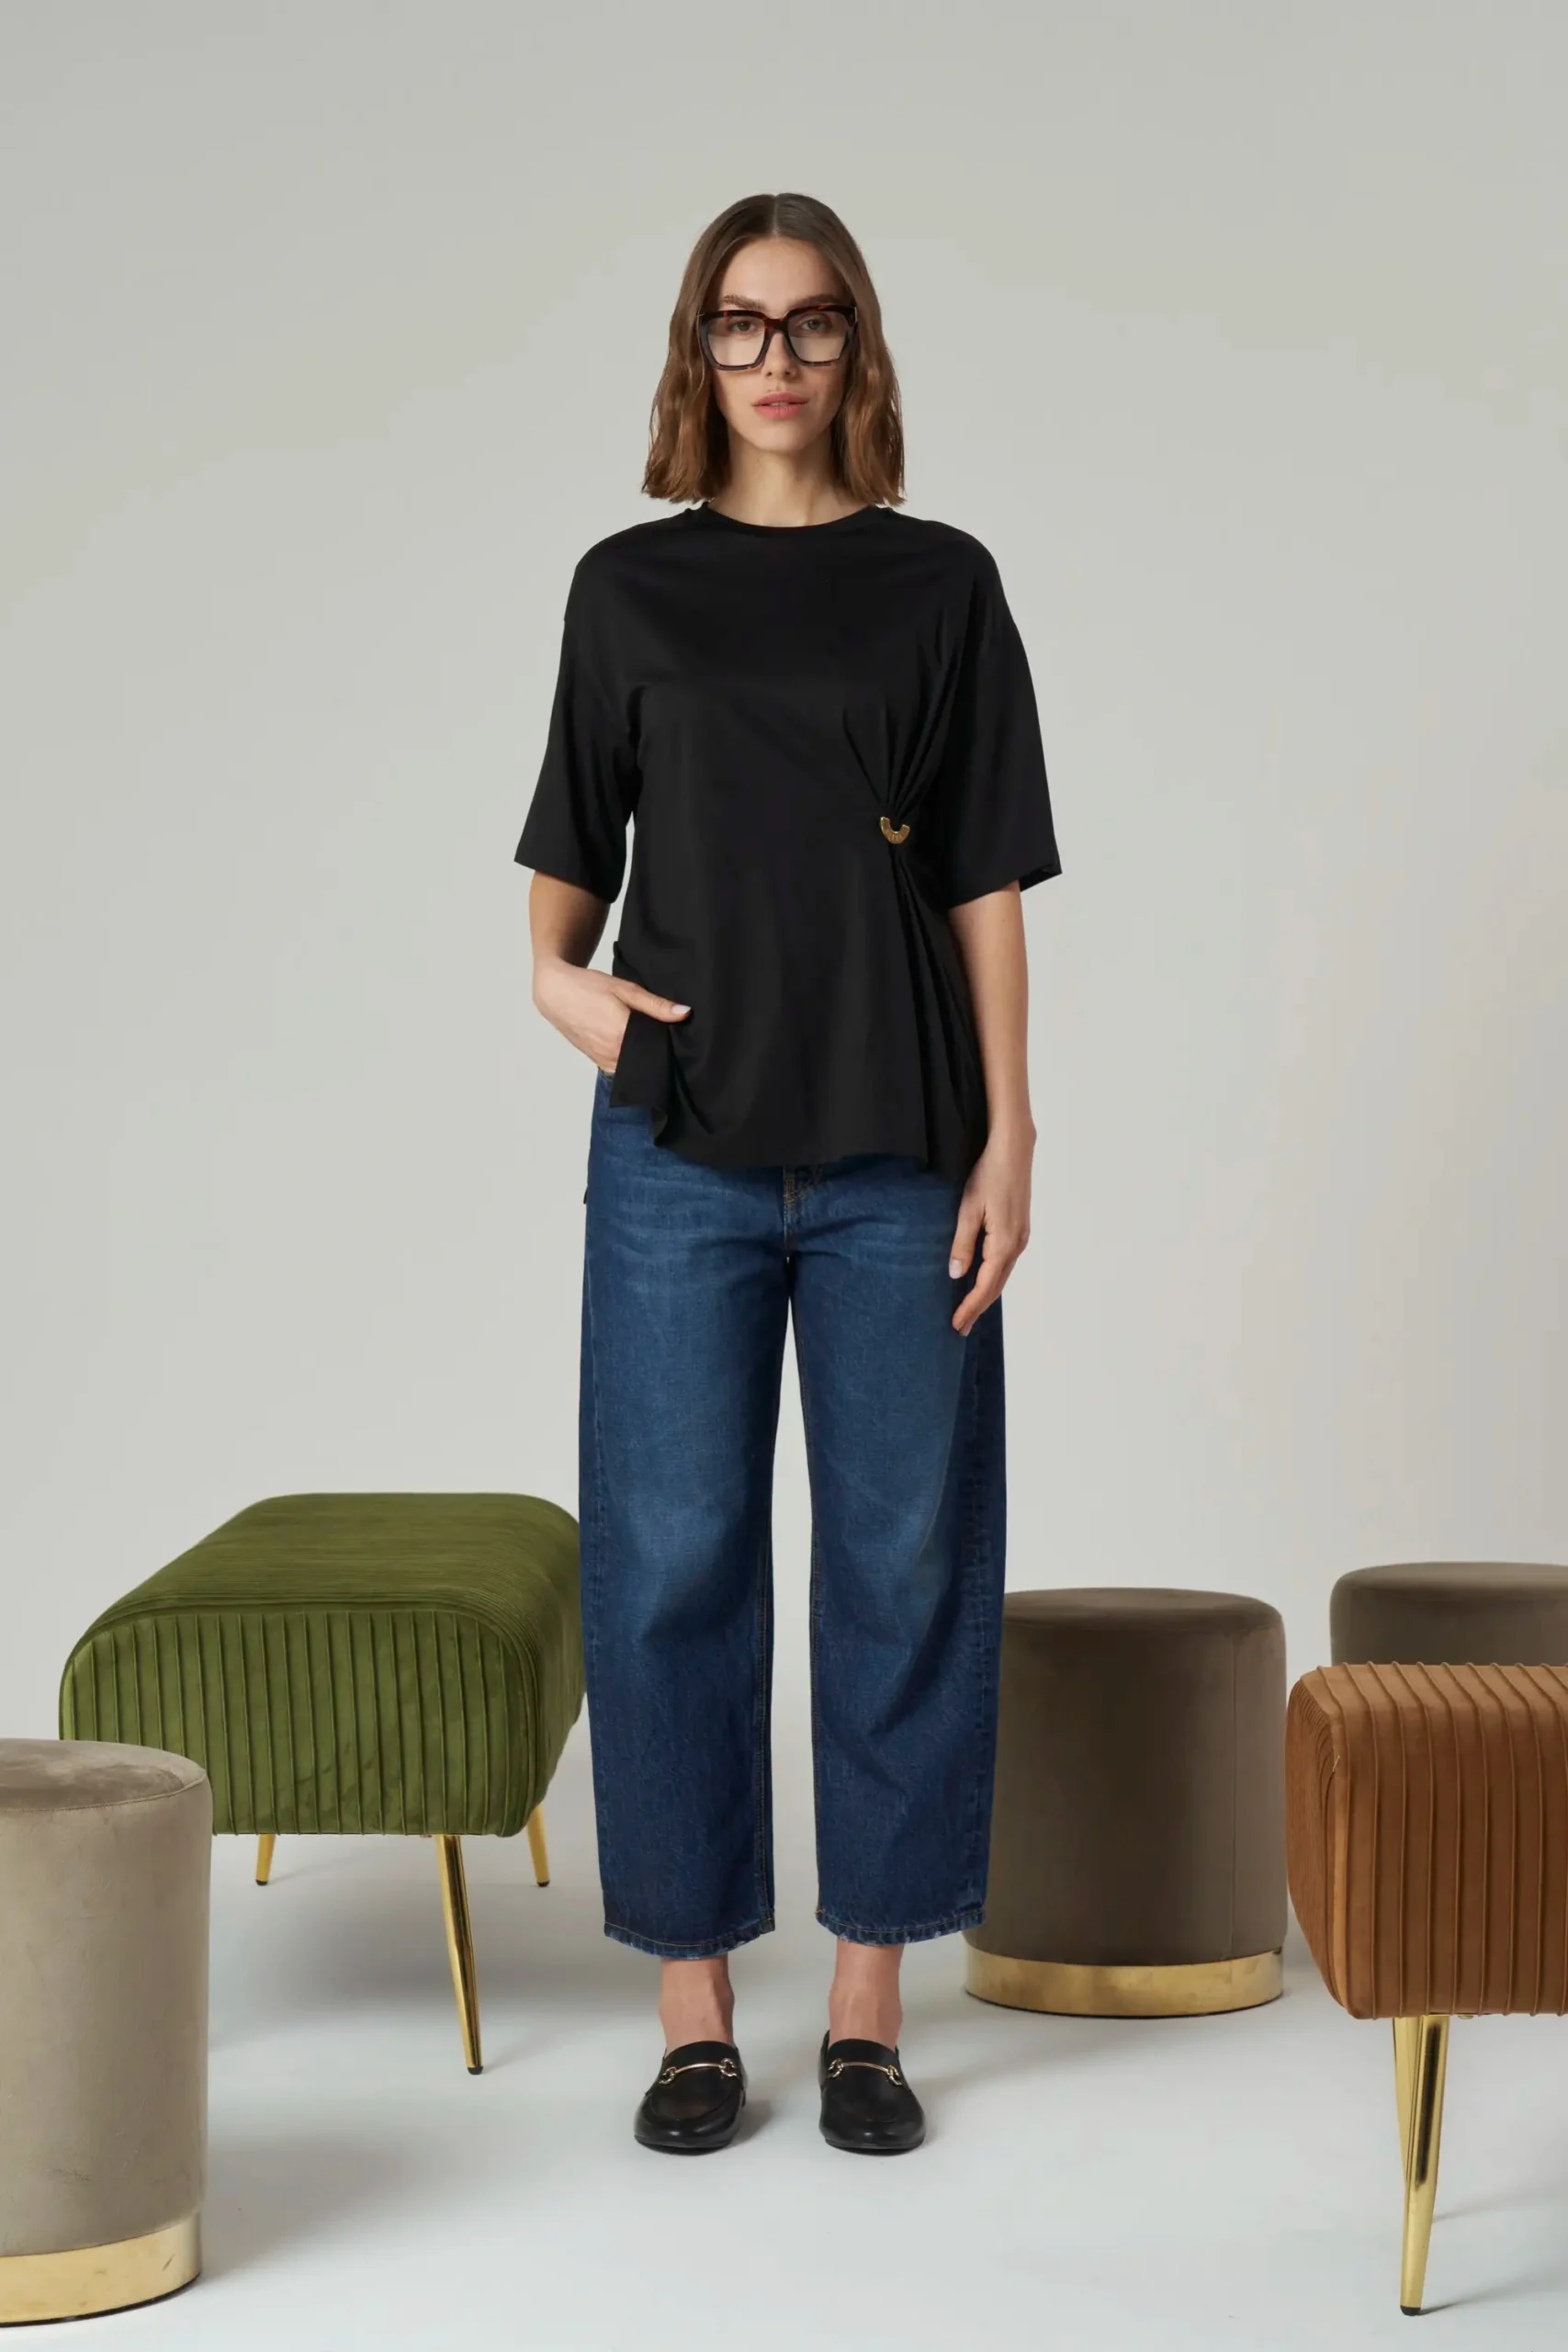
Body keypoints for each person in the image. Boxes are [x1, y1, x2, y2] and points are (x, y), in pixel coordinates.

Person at [514, 190, 1060, 2156]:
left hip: (904, 1141)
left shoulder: (941, 583)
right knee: (670, 1561)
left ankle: (864, 2003)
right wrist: (564, 994)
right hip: (679, 1150)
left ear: (857, 348)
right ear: (698, 351)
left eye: (810, 323)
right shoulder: (625, 588)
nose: (774, 359)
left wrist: (1011, 1128)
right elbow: (562, 867)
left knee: (904, 1558)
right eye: (738, 326)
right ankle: (690, 2007)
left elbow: (983, 877)